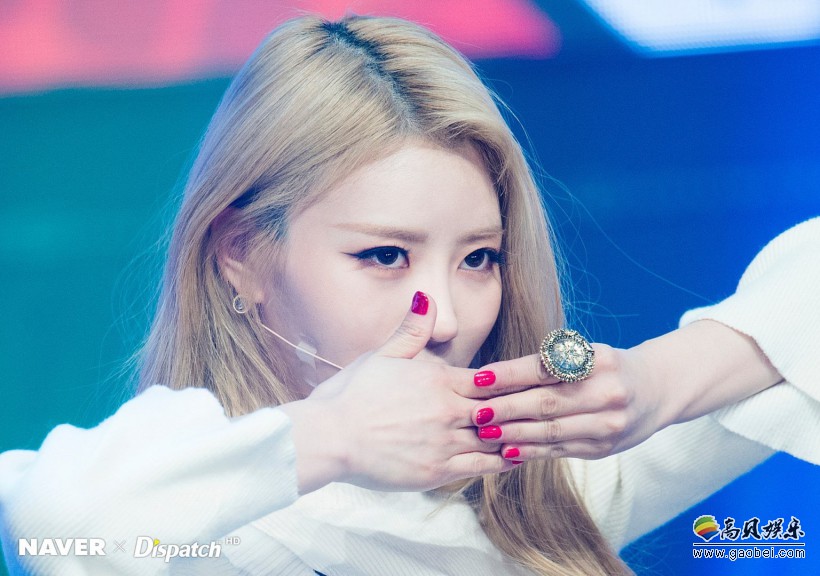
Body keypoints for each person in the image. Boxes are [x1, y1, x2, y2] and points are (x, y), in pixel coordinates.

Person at [1, 14, 818, 576]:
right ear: (241, 255)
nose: (448, 319)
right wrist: (331, 435)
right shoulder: (191, 520)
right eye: (385, 256)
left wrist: (659, 382)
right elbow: (54, 526)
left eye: (480, 258)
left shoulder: (550, 493)